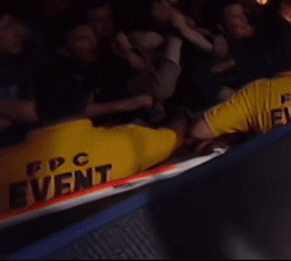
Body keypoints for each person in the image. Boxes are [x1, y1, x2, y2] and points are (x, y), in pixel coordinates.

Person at [2, 67, 183, 213]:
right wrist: (182, 114)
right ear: (89, 99)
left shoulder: (5, 164)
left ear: (36, 105)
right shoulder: (128, 141)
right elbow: (177, 137)